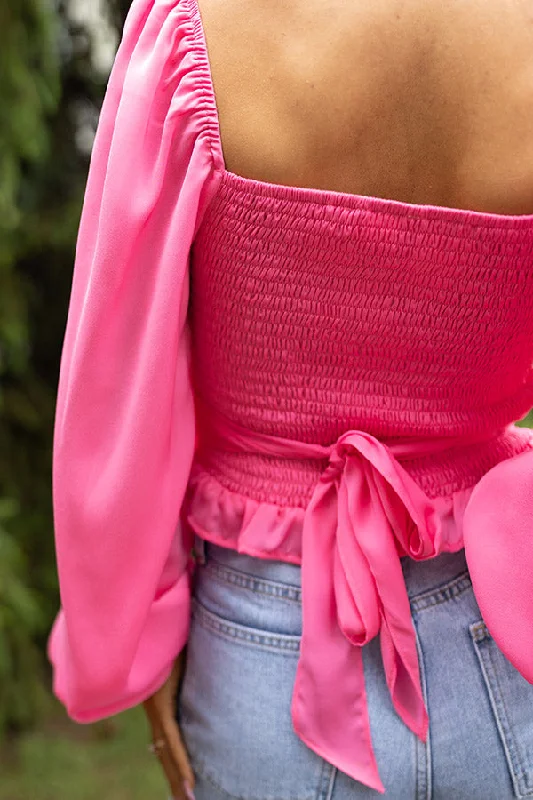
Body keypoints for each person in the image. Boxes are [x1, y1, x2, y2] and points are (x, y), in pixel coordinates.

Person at [48, 0, 533, 798]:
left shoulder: (195, 27)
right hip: (502, 638)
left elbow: (119, 378)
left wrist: (136, 638)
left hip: (259, 657)